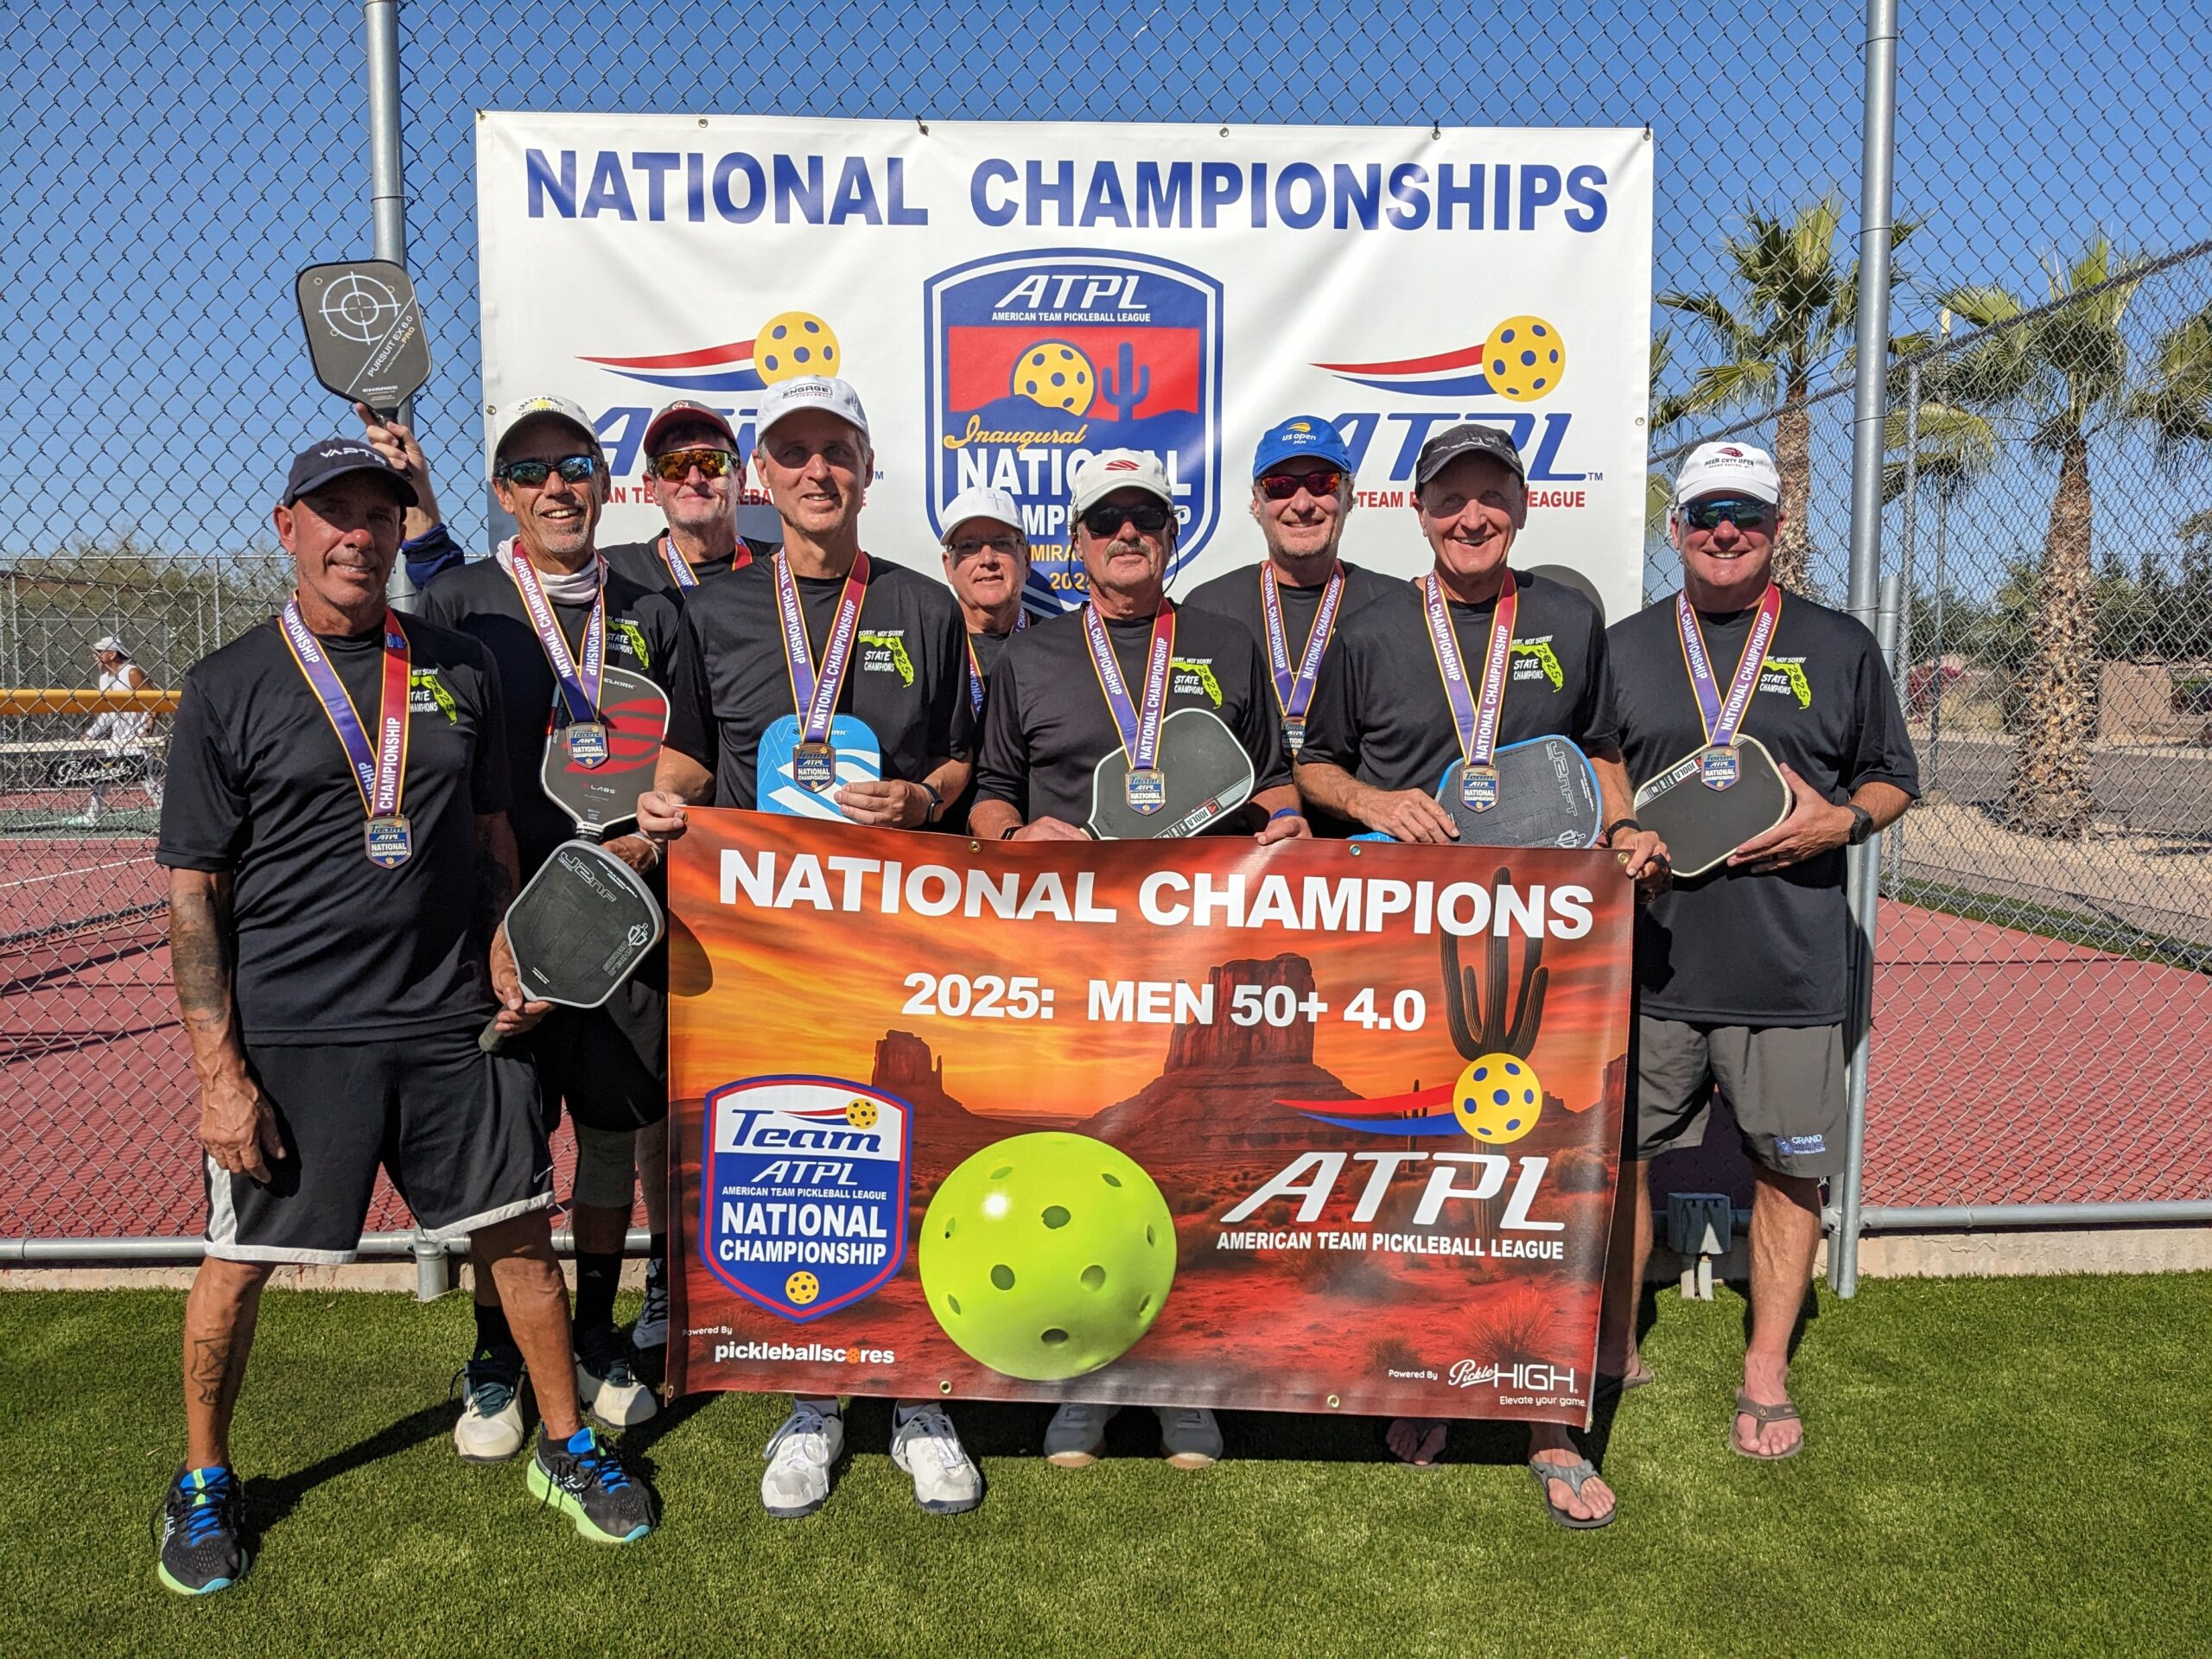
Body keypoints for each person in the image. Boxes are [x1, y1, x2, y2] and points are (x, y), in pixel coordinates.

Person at [151, 439, 655, 1594]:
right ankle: (203, 1478)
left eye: (379, 514)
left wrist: (504, 943)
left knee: (517, 1238)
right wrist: (220, 1075)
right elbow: (193, 895)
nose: (358, 535)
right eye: (334, 513)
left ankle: (566, 1447)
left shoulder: (458, 665)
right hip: (296, 1036)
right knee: (237, 1265)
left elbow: (488, 832)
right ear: (287, 527)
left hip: (448, 1024)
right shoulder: (228, 682)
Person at [1293, 421, 1665, 1527]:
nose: (1471, 516)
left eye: (1490, 496)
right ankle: (1426, 1384)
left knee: (1539, 1173)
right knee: (1420, 1173)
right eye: (1449, 498)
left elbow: (1603, 750)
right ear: (1418, 512)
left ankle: (1548, 1422)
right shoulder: (1367, 628)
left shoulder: (1565, 616)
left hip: (1546, 945)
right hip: (1410, 946)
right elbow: (1313, 765)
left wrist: (1624, 825)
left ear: (1520, 504)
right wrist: (1371, 801)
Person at [637, 373, 982, 1519]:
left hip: (898, 938)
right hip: (767, 949)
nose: (818, 471)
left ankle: (919, 1396)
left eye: (838, 450)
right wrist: (662, 804)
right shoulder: (710, 610)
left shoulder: (924, 605)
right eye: (794, 453)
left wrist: (922, 799)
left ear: (868, 472)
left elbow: (962, 761)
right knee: (798, 1172)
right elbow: (691, 759)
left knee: (910, 1159)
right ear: (764, 477)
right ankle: (810, 1398)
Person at [968, 448, 1307, 1473]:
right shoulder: (1030, 656)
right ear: (1075, 542)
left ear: (1171, 534)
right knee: (1081, 1163)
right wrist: (1013, 837)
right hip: (1071, 961)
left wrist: (1284, 825)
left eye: (1146, 519)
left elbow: (1275, 781)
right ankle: (1081, 1380)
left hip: (1199, 949)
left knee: (1189, 1174)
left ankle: (1182, 1384)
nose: (1128, 535)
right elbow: (990, 795)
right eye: (1108, 520)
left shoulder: (1225, 643)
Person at [1600, 441, 1917, 1460]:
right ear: (1675, 529)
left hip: (1788, 972)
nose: (1724, 531)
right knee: (1622, 1162)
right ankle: (1615, 1342)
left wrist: (1842, 824)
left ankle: (1764, 1371)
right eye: (1705, 515)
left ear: (1777, 528)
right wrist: (1621, 826)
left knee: (1789, 1174)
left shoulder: (1836, 644)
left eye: (1744, 514)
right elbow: (1601, 757)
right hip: (1650, 967)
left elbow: (1891, 777)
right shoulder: (1626, 644)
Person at [406, 393, 683, 1453]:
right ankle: (494, 1356)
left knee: (611, 1137)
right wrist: (485, 915)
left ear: (603, 484)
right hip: (500, 931)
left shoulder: (654, 605)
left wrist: (644, 841)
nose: (556, 487)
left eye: (574, 466)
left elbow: (692, 756)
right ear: (503, 493)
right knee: (504, 1157)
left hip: (622, 923)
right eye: (530, 472)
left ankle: (598, 1332)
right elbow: (433, 767)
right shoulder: (460, 602)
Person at [1179, 416, 1398, 779]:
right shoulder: (1208, 607)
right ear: (1256, 503)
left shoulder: (1393, 605)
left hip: (1359, 814)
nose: (1301, 503)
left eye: (1322, 483)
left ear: (1349, 497)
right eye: (1280, 486)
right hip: (1250, 814)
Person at [601, 398, 779, 599]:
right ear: (652, 488)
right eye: (673, 465)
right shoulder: (611, 572)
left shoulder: (781, 566)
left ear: (741, 481)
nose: (694, 479)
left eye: (712, 462)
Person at [937, 482, 1032, 830]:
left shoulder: (1061, 647)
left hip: (1029, 845)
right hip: (937, 847)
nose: (987, 559)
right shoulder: (925, 647)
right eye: (969, 547)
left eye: (1003, 544)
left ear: (1026, 559)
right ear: (948, 566)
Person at [70, 635, 162, 826]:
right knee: (103, 775)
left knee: (146, 778)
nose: (94, 656)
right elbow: (108, 714)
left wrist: (147, 728)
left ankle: (168, 816)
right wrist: (90, 734)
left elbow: (155, 701)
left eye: (98, 652)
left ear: (112, 654)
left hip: (136, 740)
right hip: (116, 740)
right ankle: (92, 816)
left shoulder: (131, 672)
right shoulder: (104, 680)